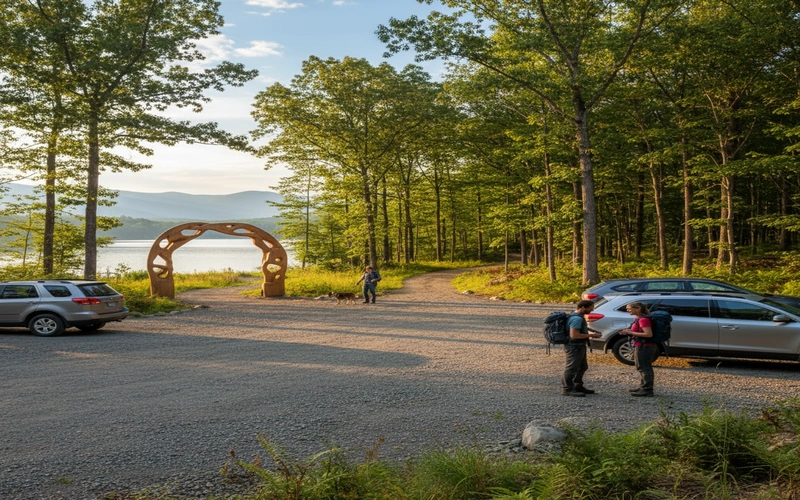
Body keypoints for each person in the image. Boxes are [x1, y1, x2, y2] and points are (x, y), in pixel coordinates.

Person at [562, 300, 602, 397]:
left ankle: (577, 386)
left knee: (583, 367)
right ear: (583, 307)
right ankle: (567, 389)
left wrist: (591, 332)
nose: (592, 310)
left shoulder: (576, 316)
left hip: (579, 346)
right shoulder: (577, 319)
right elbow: (574, 335)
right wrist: (592, 336)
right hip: (574, 346)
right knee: (572, 368)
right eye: (590, 308)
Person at [619, 301, 656, 397]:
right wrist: (628, 331)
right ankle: (643, 386)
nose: (627, 310)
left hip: (645, 346)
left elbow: (648, 334)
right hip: (640, 345)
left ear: (638, 309)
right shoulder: (638, 318)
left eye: (629, 308)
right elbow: (639, 330)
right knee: (641, 367)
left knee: (645, 368)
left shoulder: (643, 320)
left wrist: (630, 333)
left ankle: (647, 389)